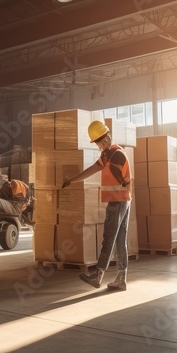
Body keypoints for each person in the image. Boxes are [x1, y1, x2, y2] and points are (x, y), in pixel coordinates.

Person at [62, 121, 131, 291]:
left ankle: (98, 275)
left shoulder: (115, 155)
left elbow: (124, 179)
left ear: (105, 139)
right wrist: (72, 180)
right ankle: (121, 279)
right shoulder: (109, 155)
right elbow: (92, 169)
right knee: (120, 240)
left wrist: (122, 183)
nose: (98, 147)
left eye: (98, 143)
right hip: (123, 201)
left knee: (109, 237)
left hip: (117, 201)